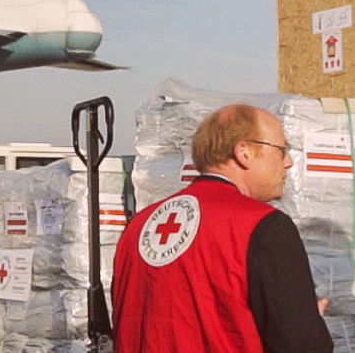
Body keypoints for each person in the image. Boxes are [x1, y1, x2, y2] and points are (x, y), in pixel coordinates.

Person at [112, 103, 332, 353]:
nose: (289, 162)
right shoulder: (263, 226)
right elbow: (301, 346)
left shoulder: (139, 227)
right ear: (244, 152)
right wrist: (307, 325)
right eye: (282, 150)